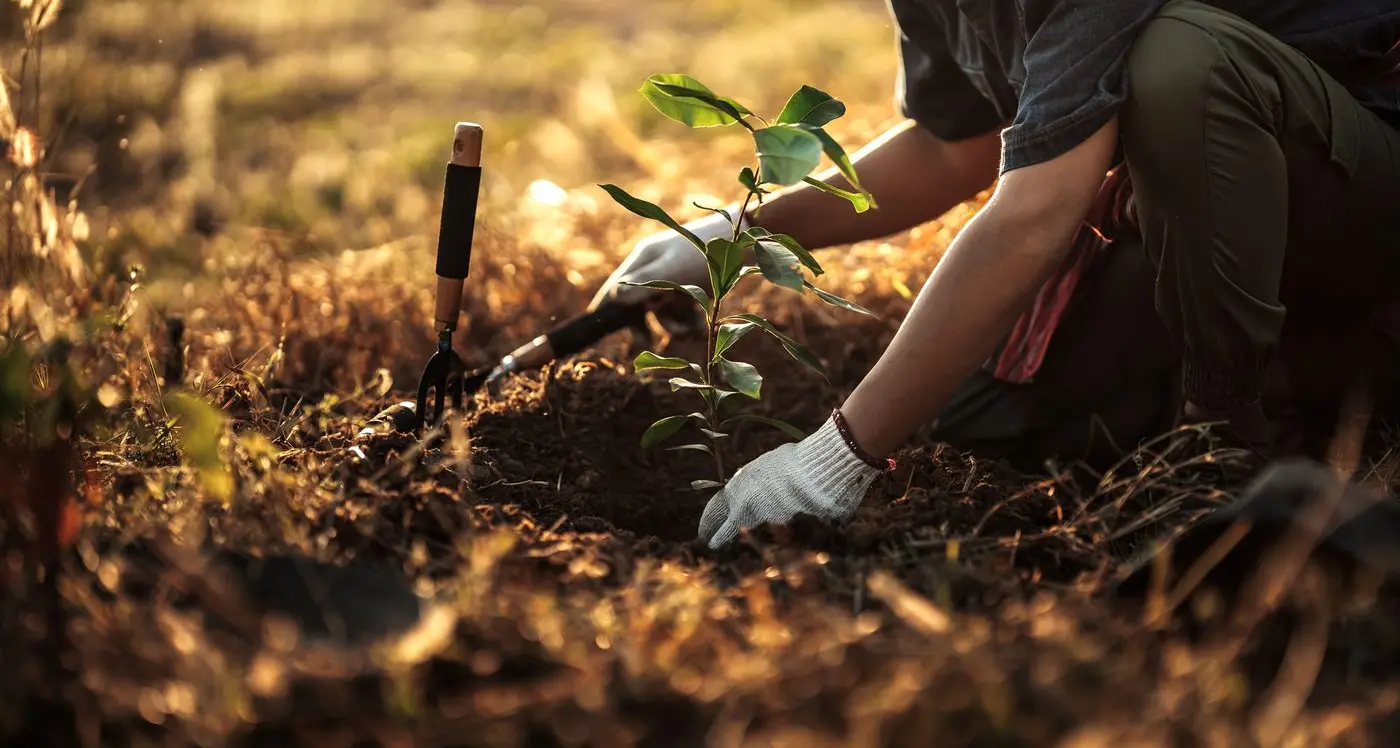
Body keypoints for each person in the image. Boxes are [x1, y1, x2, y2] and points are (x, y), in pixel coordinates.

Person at [587, 0, 1400, 549]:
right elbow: (957, 147)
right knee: (983, 427)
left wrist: (836, 455)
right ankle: (1305, 384)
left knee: (1181, 59)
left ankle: (1228, 450)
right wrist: (741, 231)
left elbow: (1038, 211)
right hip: (1223, 224)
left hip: (1362, 194)